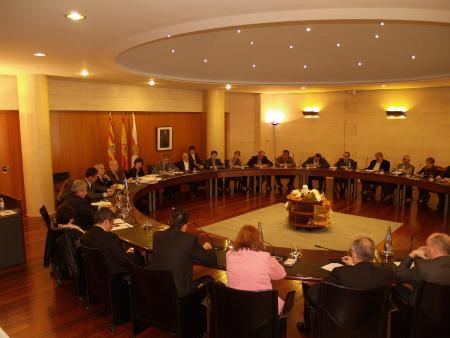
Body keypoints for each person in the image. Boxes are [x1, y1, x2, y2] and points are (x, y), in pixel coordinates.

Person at [298, 237, 395, 333]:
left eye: (351, 251)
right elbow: (366, 277)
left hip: (338, 327)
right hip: (372, 328)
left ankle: (307, 327)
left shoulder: (340, 273)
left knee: (309, 290)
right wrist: (355, 266)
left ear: (354, 254)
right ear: (373, 254)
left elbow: (314, 295)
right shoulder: (387, 274)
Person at [147, 208, 217, 296]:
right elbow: (211, 260)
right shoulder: (189, 240)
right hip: (179, 293)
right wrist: (209, 248)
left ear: (169, 222)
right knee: (209, 279)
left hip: (157, 287)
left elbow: (174, 249)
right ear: (185, 225)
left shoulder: (157, 235)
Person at [226, 225, 286, 313]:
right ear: (258, 240)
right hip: (262, 308)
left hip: (235, 305)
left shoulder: (229, 255)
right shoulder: (265, 257)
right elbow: (281, 274)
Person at [80, 208, 144, 274]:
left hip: (95, 273)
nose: (112, 227)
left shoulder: (84, 236)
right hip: (114, 274)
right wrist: (130, 253)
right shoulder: (111, 238)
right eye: (112, 224)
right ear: (106, 222)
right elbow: (123, 261)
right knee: (138, 255)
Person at [395, 233, 450, 305]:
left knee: (394, 284)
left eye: (427, 245)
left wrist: (413, 254)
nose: (426, 248)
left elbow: (399, 275)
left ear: (433, 249)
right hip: (445, 308)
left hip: (421, 308)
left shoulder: (422, 267)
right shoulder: (424, 266)